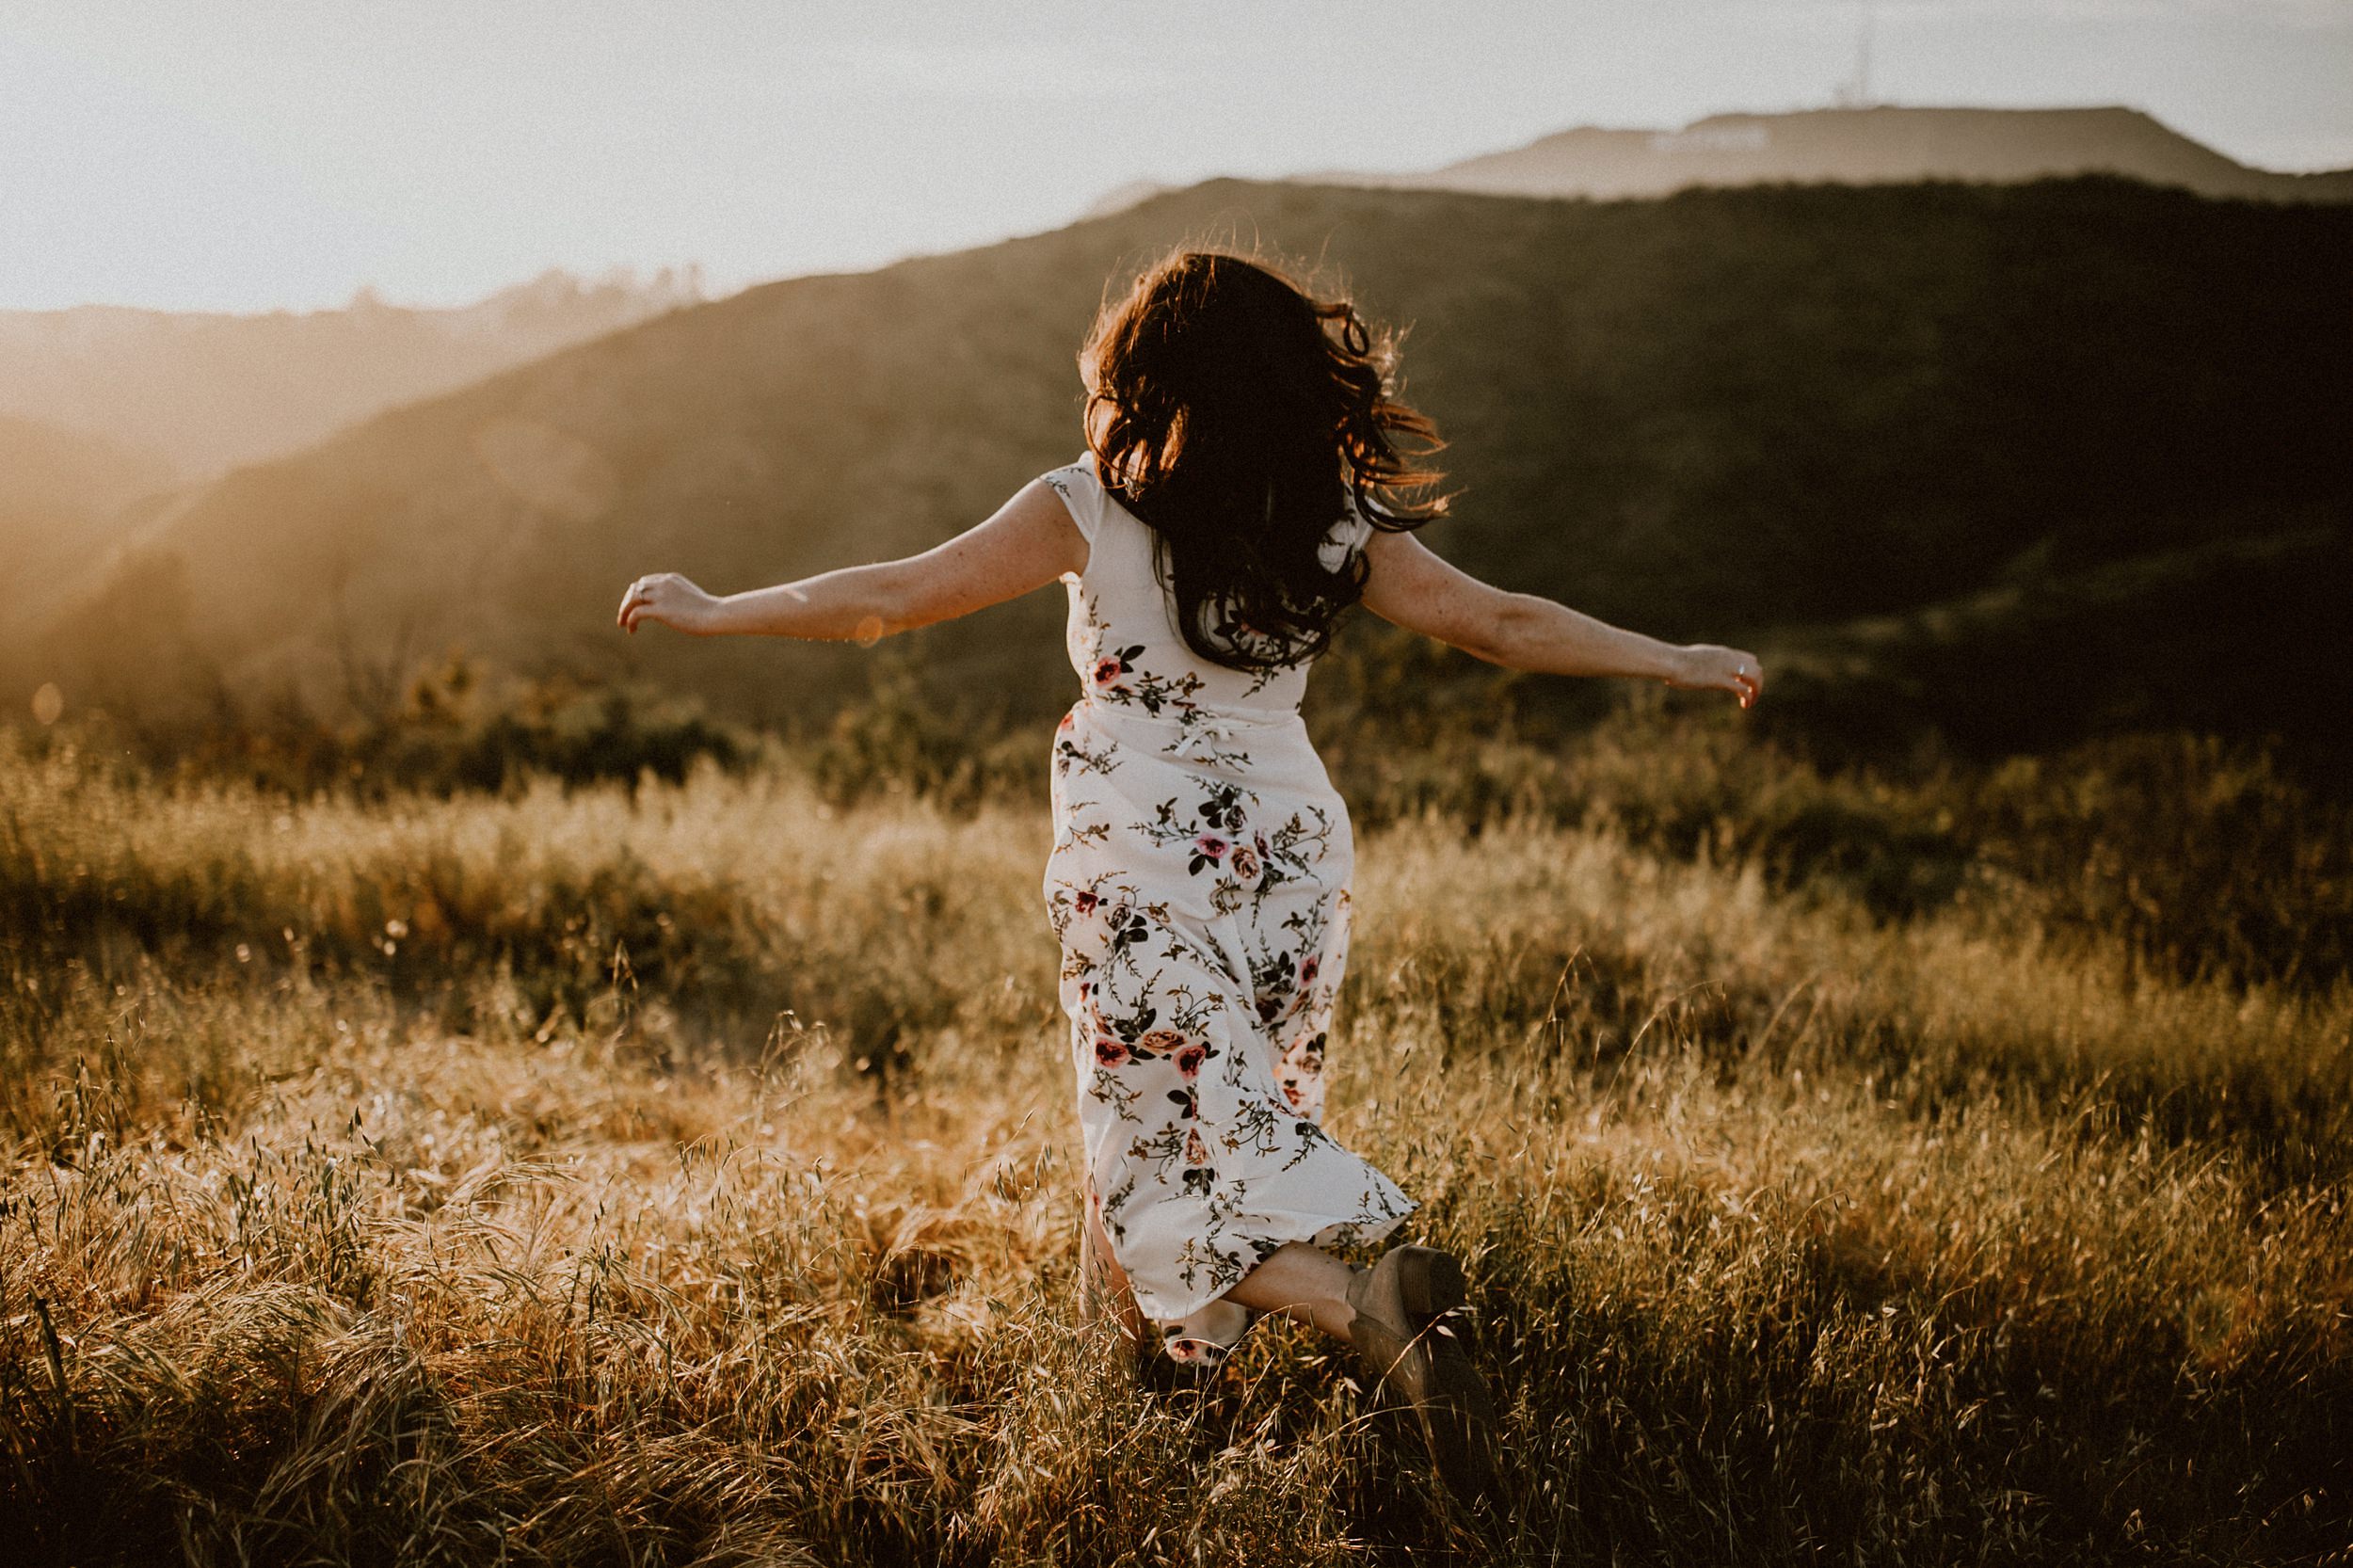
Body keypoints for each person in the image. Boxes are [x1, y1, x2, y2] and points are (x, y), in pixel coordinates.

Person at [616, 248, 1761, 1498]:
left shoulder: (1086, 506)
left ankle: (1368, 1306)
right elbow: (1503, 623)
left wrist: (719, 608)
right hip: (1289, 862)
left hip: (1142, 858)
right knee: (1225, 1136)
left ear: (1148, 373)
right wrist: (1677, 656)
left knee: (1146, 1162)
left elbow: (893, 596)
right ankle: (1179, 1412)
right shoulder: (1331, 520)